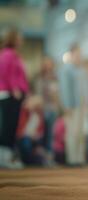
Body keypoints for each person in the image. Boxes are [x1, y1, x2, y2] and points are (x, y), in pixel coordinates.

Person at [0, 28, 29, 169]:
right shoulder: (8, 54)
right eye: (19, 37)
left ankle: (8, 157)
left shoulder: (15, 55)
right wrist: (14, 88)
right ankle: (4, 158)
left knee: (12, 128)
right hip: (9, 95)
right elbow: (5, 72)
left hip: (15, 95)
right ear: (13, 39)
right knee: (8, 127)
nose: (21, 40)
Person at [58, 44, 88, 165]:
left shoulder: (82, 71)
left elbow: (86, 90)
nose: (79, 57)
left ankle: (79, 159)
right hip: (72, 106)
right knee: (72, 133)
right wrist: (67, 105)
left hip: (82, 106)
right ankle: (72, 159)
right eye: (77, 54)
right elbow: (65, 89)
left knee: (81, 134)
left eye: (80, 55)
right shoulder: (66, 70)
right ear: (71, 54)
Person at [33, 56, 60, 166]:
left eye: (50, 63)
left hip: (52, 109)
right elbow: (36, 93)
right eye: (46, 63)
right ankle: (40, 158)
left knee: (50, 134)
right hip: (40, 109)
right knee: (40, 135)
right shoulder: (38, 78)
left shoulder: (54, 78)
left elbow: (56, 95)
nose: (48, 65)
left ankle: (49, 158)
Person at [16, 95, 45, 165]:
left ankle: (35, 161)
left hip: (35, 138)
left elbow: (41, 129)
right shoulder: (24, 112)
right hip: (24, 136)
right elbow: (21, 129)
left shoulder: (39, 115)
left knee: (38, 145)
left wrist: (37, 135)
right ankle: (27, 162)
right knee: (26, 142)